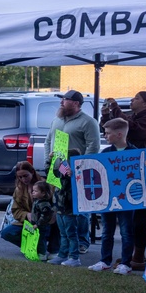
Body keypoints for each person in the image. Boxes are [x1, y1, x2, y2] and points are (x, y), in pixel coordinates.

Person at [101, 91, 146, 270]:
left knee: (139, 214)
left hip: (144, 169)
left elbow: (133, 128)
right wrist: (106, 114)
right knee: (125, 212)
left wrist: (115, 108)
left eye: (136, 98)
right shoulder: (135, 116)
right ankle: (127, 255)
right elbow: (114, 127)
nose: (132, 100)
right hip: (124, 170)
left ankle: (138, 254)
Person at [44, 90, 101, 255]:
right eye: (61, 99)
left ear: (76, 103)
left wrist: (81, 167)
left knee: (80, 207)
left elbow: (93, 147)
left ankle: (82, 241)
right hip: (57, 169)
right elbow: (49, 141)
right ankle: (65, 241)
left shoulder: (88, 122)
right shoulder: (57, 120)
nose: (62, 102)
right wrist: (49, 162)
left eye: (66, 99)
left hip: (77, 171)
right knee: (60, 206)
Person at [89, 118, 139, 273]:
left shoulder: (134, 153)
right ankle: (105, 261)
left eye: (108, 133)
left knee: (126, 231)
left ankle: (126, 263)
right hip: (107, 199)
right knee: (106, 231)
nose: (105, 135)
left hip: (126, 201)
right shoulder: (105, 153)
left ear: (119, 134)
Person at [0, 162, 38, 248]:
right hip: (27, 221)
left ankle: (50, 247)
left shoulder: (43, 185)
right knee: (6, 233)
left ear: (32, 172)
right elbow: (15, 210)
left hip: (42, 221)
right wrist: (26, 215)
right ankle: (28, 246)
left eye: (25, 176)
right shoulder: (19, 189)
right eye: (20, 177)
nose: (23, 179)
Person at [30, 181, 57, 260]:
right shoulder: (37, 201)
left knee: (41, 239)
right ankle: (39, 252)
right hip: (37, 223)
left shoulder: (44, 204)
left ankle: (42, 253)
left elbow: (45, 216)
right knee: (38, 239)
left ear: (43, 193)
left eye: (35, 191)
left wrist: (38, 224)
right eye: (33, 191)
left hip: (42, 225)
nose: (33, 192)